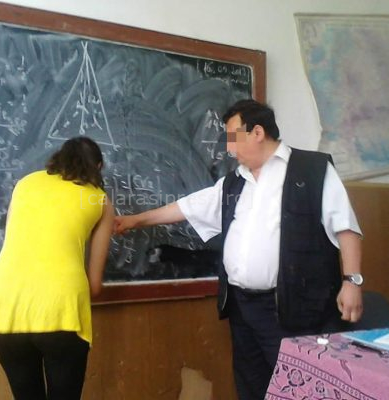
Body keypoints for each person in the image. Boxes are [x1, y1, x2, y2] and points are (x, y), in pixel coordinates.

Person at [114, 99, 363, 400]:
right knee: (251, 383)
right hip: (242, 306)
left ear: (257, 132)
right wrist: (136, 220)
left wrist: (352, 281)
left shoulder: (312, 170)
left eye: (233, 137)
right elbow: (188, 207)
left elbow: (346, 227)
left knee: (299, 387)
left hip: (291, 306)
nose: (229, 149)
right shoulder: (234, 182)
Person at [0, 137, 114, 400]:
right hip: (60, 307)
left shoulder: (25, 184)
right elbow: (94, 287)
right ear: (98, 167)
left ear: (58, 159)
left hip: (6, 304)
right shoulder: (100, 200)